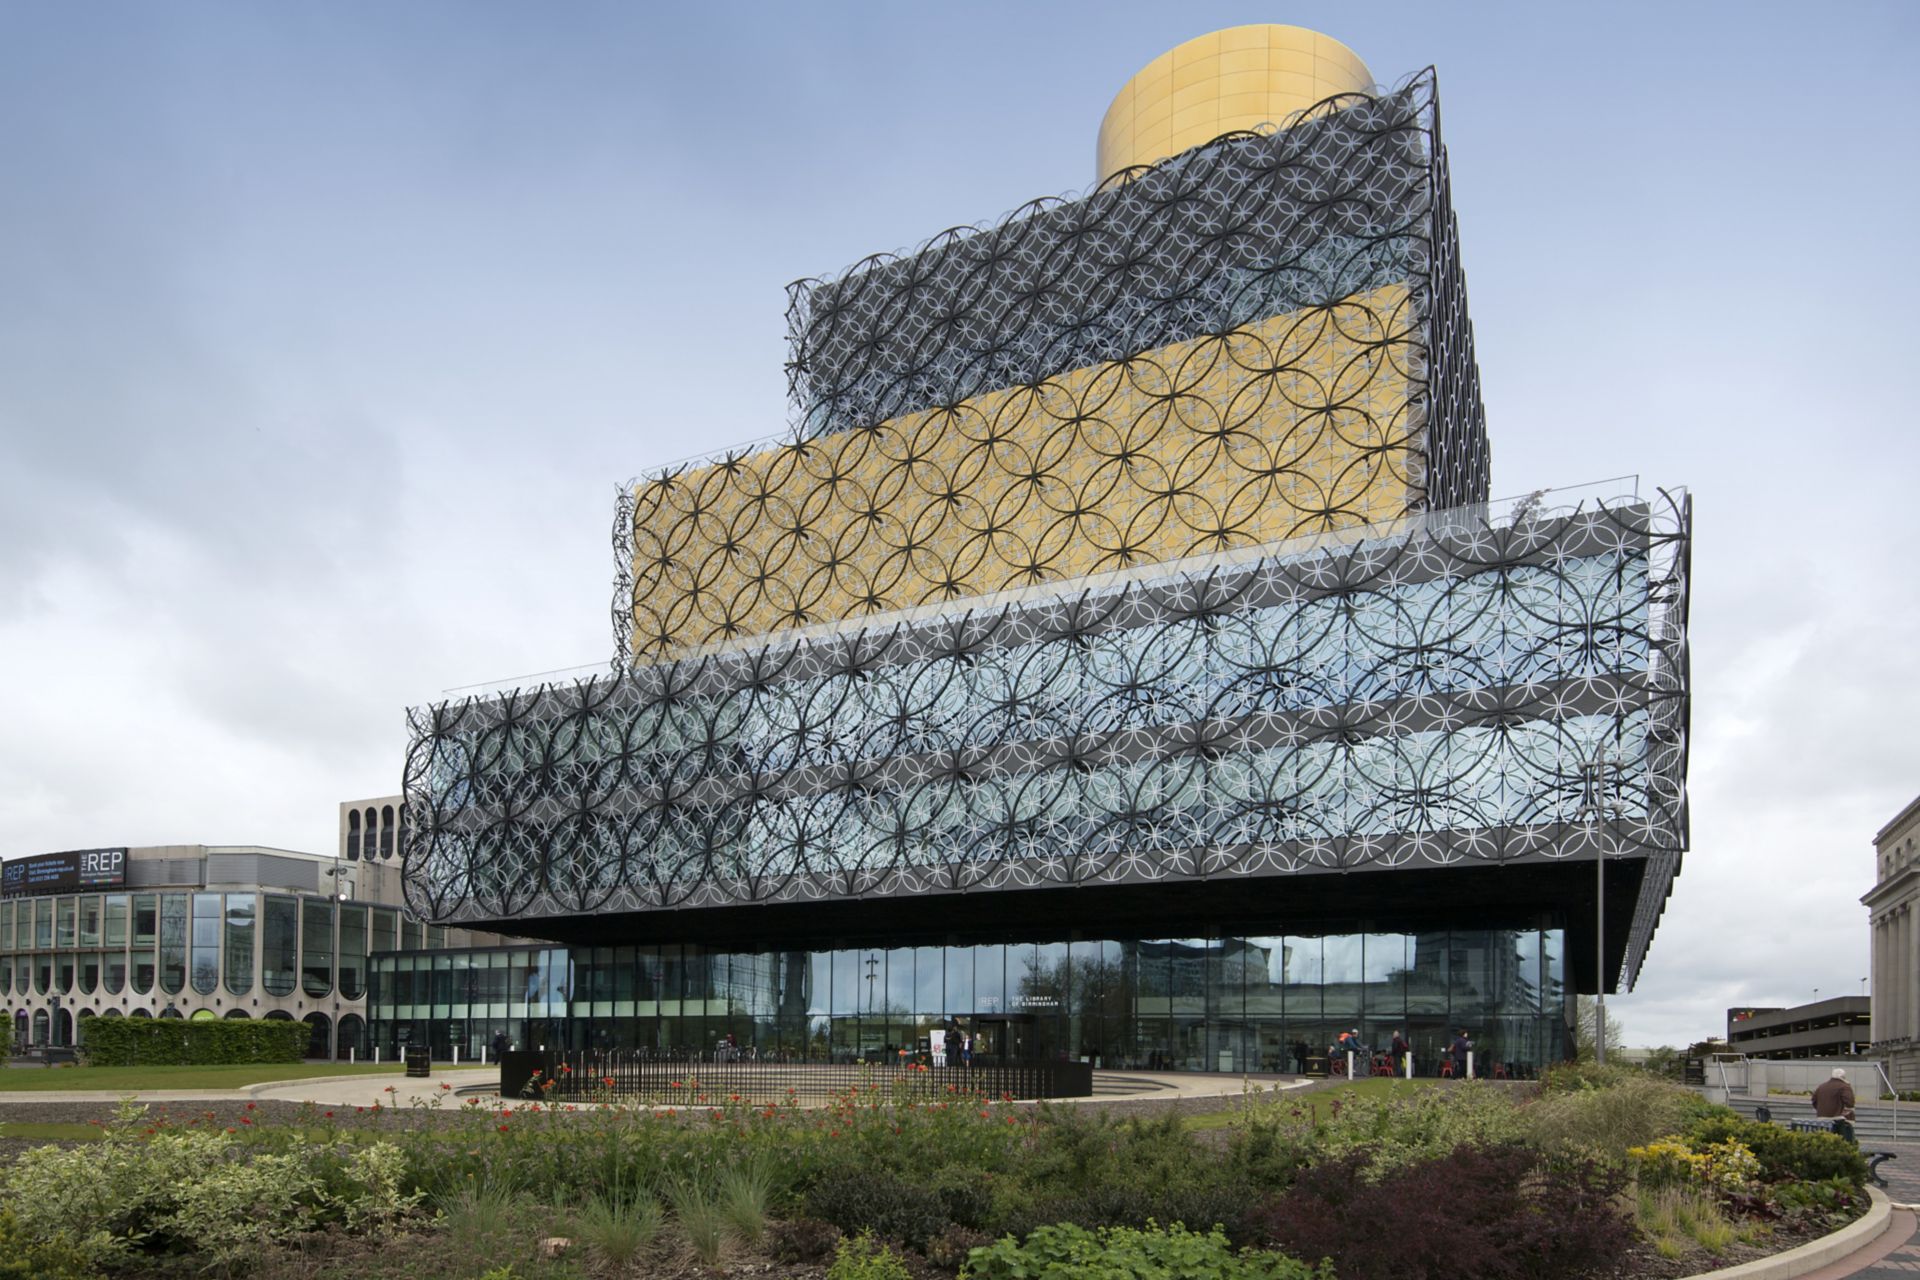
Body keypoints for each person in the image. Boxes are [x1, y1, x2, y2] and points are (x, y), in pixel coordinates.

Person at [1812, 1068, 1857, 1144]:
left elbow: (1814, 1101)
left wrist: (1822, 1110)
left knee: (1826, 1142)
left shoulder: (1821, 1086)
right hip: (1839, 1120)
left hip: (1822, 1119)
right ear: (1843, 1077)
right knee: (1845, 1143)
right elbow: (1850, 1102)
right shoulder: (1844, 1086)